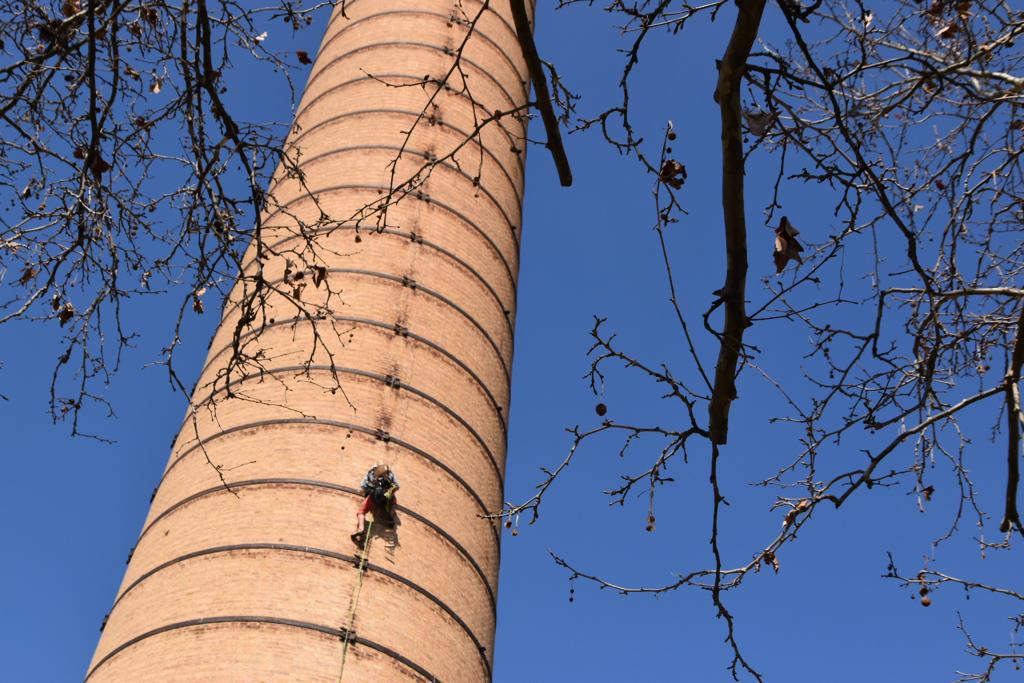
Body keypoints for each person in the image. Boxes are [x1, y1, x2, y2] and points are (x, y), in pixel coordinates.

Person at [351, 463, 399, 545]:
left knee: (361, 512)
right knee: (393, 504)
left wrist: (362, 491)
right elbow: (396, 486)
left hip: (373, 498)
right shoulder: (390, 475)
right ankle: (390, 517)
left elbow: (363, 487)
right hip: (387, 499)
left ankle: (361, 529)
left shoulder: (370, 475)